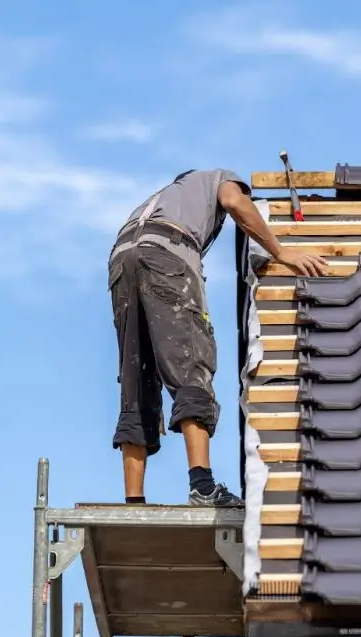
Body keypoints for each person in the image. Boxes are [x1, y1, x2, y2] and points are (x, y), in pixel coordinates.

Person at [107, 168, 328, 506]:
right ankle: (202, 485)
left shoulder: (165, 197)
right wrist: (281, 252)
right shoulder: (220, 177)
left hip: (122, 260)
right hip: (167, 255)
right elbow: (233, 201)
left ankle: (133, 500)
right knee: (190, 362)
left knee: (137, 378)